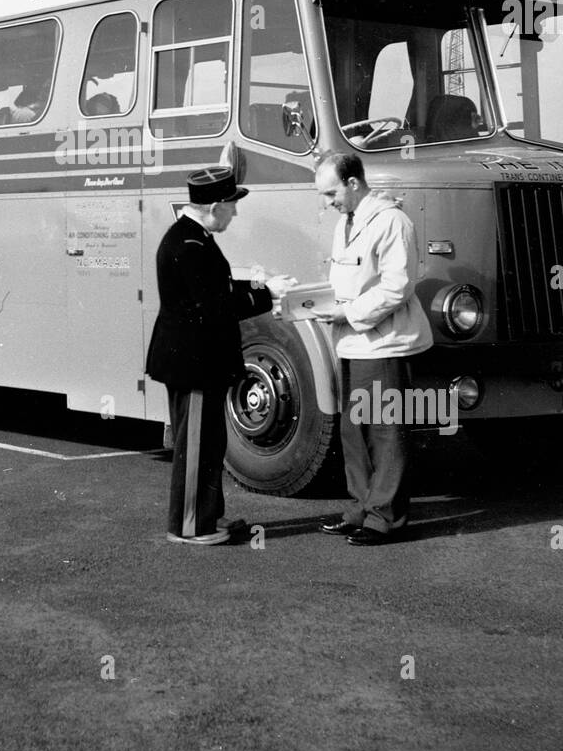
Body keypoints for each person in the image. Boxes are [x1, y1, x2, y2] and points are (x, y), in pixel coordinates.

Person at [146, 166, 296, 545]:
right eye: (231, 205)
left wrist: (262, 285)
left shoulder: (193, 237)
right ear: (213, 206)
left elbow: (218, 286)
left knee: (209, 443)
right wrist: (265, 296)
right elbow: (215, 305)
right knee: (196, 446)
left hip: (196, 361)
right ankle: (191, 527)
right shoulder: (189, 245)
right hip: (193, 365)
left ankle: (208, 516)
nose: (235, 213)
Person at [315, 151, 432, 546]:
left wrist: (349, 314)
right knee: (354, 430)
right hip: (352, 343)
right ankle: (362, 508)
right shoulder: (345, 223)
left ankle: (386, 519)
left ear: (353, 183)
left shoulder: (392, 221)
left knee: (385, 432)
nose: (327, 201)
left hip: (384, 343)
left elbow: (398, 286)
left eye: (331, 192)